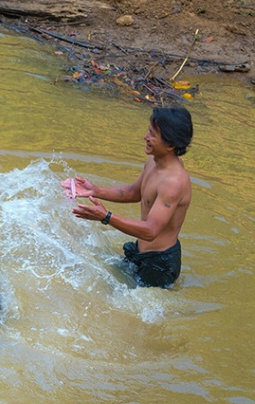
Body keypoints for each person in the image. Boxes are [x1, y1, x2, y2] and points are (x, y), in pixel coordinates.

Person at [64, 106, 193, 288]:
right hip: (139, 250)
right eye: (149, 130)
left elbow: (150, 231)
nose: (145, 137)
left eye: (152, 134)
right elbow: (134, 192)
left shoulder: (174, 182)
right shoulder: (153, 161)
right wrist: (94, 190)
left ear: (170, 145)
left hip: (159, 263)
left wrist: (106, 217)